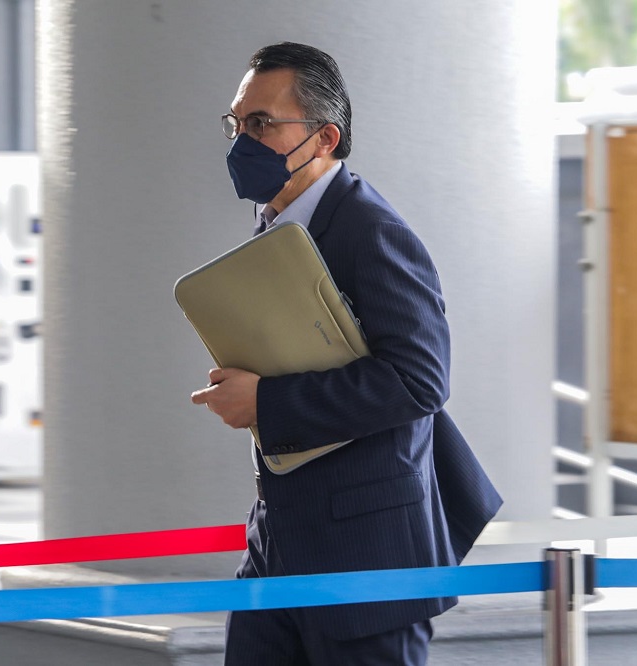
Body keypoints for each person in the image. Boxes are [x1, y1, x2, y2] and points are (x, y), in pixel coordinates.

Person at [190, 42, 502, 665]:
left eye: (261, 124)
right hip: (280, 546)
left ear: (325, 138)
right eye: (236, 123)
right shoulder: (276, 228)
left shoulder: (371, 231)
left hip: (367, 563)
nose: (241, 141)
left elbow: (420, 380)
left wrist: (267, 401)